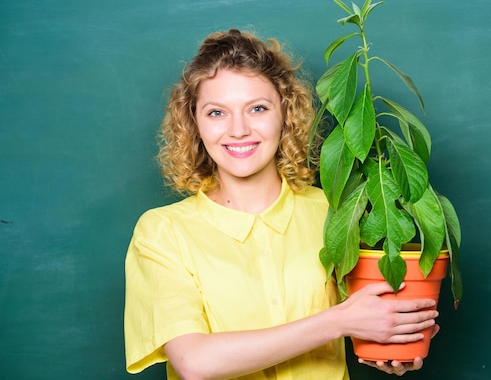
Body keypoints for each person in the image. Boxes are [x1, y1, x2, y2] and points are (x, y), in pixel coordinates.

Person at [124, 29, 439, 380]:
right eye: (216, 113)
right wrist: (339, 321)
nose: (239, 129)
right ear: (194, 123)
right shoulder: (162, 232)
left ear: (286, 114)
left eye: (257, 108)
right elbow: (195, 363)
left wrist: (395, 340)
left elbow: (368, 313)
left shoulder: (336, 211)